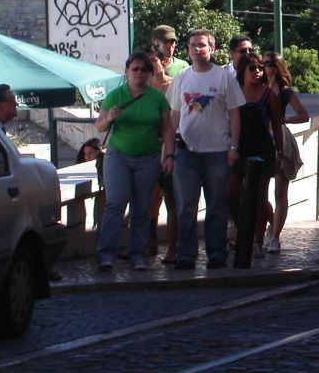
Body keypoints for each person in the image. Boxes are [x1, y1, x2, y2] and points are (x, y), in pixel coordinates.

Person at [168, 30, 244, 270]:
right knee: (186, 206)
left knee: (216, 206)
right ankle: (186, 254)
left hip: (217, 151)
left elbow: (234, 113)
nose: (197, 50)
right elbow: (174, 115)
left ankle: (216, 252)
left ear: (212, 49)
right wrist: (167, 150)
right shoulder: (181, 77)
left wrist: (234, 146)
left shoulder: (224, 77)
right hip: (186, 151)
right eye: (193, 45)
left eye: (202, 46)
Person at [94, 51, 174, 271]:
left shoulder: (157, 97)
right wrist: (109, 118)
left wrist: (169, 154)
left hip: (148, 158)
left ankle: (138, 254)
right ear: (127, 71)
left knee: (142, 207)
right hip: (118, 156)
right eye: (135, 69)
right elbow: (99, 126)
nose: (139, 73)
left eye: (143, 69)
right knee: (116, 203)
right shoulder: (115, 96)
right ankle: (106, 254)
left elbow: (167, 128)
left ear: (149, 73)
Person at [228, 52, 284, 257]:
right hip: (238, 149)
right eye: (252, 68)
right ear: (243, 70)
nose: (257, 72)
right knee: (232, 195)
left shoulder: (269, 96)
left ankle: (258, 241)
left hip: (263, 151)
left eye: (260, 68)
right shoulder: (233, 92)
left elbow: (277, 126)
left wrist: (279, 152)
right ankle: (241, 228)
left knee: (260, 197)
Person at [263, 51, 310, 253]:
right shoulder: (256, 87)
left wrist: (286, 120)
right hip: (262, 139)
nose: (264, 66)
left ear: (277, 66)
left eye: (268, 63)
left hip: (280, 139)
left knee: (280, 192)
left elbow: (304, 115)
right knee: (260, 193)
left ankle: (275, 236)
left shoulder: (285, 91)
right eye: (262, 63)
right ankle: (270, 223)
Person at [145, 48, 177, 262]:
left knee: (172, 200)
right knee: (149, 199)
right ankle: (151, 239)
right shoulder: (141, 89)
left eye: (153, 61)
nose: (149, 67)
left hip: (169, 148)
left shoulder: (174, 85)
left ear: (164, 62)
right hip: (147, 150)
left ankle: (173, 248)